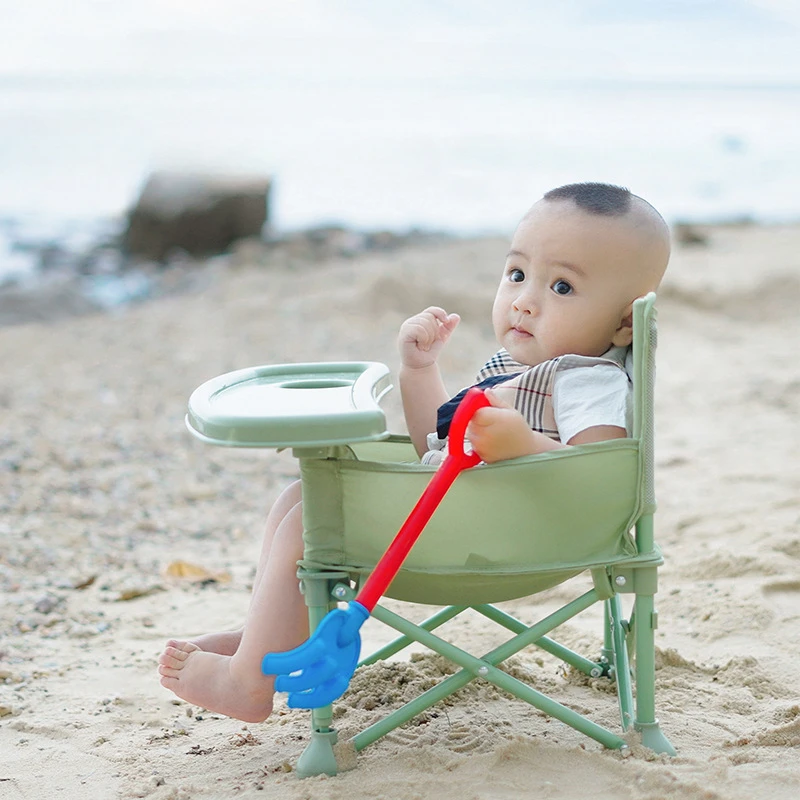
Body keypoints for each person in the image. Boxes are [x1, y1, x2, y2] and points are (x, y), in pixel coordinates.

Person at [157, 182, 671, 723]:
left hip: (505, 537)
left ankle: (246, 686)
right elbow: (438, 444)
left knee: (313, 517)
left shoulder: (589, 381)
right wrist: (420, 372)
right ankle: (267, 634)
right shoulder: (515, 370)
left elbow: (599, 476)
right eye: (517, 274)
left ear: (621, 323)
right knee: (297, 497)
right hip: (465, 518)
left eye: (562, 287)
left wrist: (524, 444)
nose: (523, 299)